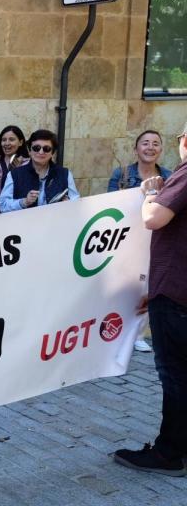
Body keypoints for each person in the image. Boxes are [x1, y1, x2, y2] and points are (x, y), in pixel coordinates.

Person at [114, 125, 187, 476]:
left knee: (174, 377)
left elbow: (154, 219)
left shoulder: (185, 174)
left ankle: (169, 453)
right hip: (173, 288)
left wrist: (148, 197)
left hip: (175, 295)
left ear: (181, 142)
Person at [108, 129, 172, 352]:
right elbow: (110, 204)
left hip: (154, 237)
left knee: (146, 285)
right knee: (122, 285)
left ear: (161, 149)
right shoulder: (122, 174)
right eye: (145, 143)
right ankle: (113, 330)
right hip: (125, 237)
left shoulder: (169, 176)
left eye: (156, 143)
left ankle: (138, 334)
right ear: (136, 149)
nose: (150, 147)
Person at [0, 129, 80, 212]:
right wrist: (24, 202)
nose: (41, 152)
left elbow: (76, 201)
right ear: (30, 151)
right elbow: (2, 205)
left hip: (55, 222)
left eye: (46, 149)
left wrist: (68, 203)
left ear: (52, 153)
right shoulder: (14, 174)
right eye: (36, 148)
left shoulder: (64, 174)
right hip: (24, 223)